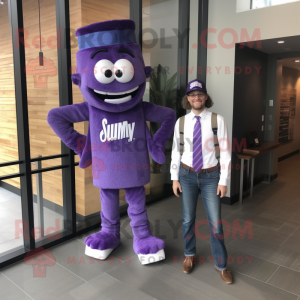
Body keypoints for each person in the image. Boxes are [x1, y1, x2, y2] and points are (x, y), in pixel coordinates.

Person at [170, 79, 232, 284]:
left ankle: (221, 265)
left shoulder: (217, 120)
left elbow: (225, 152)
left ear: (206, 97)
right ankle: (189, 255)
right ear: (188, 98)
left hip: (211, 177)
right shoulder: (180, 122)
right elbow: (176, 152)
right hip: (186, 176)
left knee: (215, 223)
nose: (196, 98)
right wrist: (174, 178)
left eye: (200, 94)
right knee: (188, 219)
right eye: (192, 95)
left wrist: (223, 181)